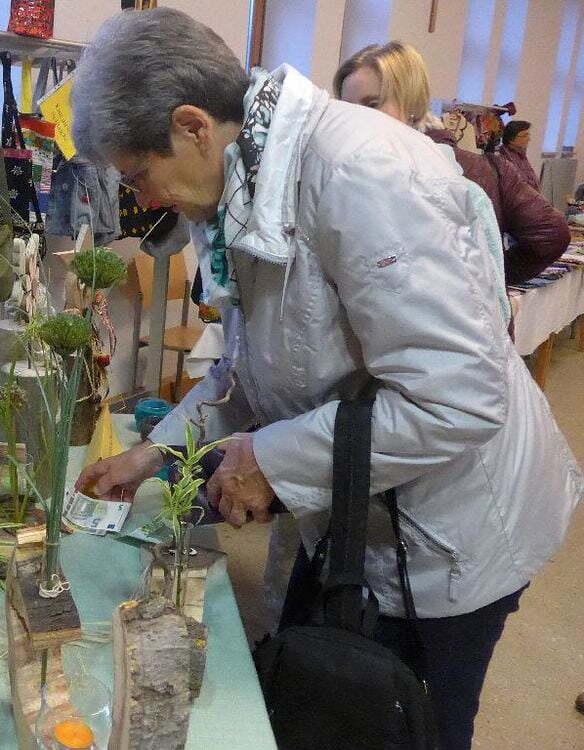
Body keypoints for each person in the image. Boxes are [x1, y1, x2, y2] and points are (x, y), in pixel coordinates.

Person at [71, 9, 582, 750]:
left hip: (453, 531)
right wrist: (155, 452)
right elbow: (252, 368)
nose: (144, 200)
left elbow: (458, 402)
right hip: (361, 514)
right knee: (319, 702)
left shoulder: (362, 174)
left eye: (138, 175)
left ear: (192, 126)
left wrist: (269, 459)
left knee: (407, 723)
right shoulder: (242, 184)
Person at [335, 43, 569, 286]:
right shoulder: (346, 173)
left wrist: (491, 279)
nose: (358, 118)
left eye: (373, 105)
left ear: (411, 103)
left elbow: (552, 234)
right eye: (347, 108)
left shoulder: (475, 171)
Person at [499, 120, 542, 192]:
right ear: (511, 139)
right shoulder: (504, 158)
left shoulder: (520, 154)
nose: (529, 139)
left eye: (528, 135)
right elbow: (519, 185)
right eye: (524, 135)